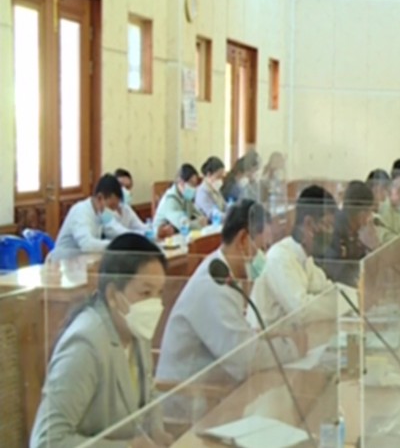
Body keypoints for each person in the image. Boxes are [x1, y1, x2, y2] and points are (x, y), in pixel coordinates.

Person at [32, 234, 171, 447]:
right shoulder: (85, 344)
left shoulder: (135, 328)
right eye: (145, 293)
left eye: (159, 293)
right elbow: (46, 442)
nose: (154, 304)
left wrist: (157, 432)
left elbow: (148, 394)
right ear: (113, 295)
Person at [156, 200, 302, 404]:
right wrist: (293, 347)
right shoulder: (213, 284)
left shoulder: (225, 273)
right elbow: (245, 359)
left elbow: (240, 337)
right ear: (242, 240)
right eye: (261, 248)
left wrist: (274, 335)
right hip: (189, 404)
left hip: (212, 391)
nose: (263, 257)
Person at [251, 186, 339, 326]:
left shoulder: (305, 259)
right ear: (309, 224)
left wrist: (356, 296)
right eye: (327, 225)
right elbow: (302, 311)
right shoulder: (279, 257)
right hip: (269, 338)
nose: (330, 233)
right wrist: (339, 304)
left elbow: (330, 290)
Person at [48, 174, 123, 262]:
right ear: (100, 198)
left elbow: (114, 229)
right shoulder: (80, 211)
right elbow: (87, 245)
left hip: (79, 263)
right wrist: (115, 245)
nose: (113, 211)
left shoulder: (100, 214)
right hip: (61, 264)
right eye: (111, 206)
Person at [321, 181, 378, 287]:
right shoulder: (334, 230)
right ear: (362, 215)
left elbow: (361, 263)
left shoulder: (355, 230)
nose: (369, 218)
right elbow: (338, 275)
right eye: (369, 213)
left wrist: (372, 248)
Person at [153, 164, 206, 235]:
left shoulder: (186, 197)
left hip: (180, 235)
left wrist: (200, 220)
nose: (194, 188)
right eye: (191, 183)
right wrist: (198, 223)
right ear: (181, 182)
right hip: (163, 239)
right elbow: (185, 225)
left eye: (195, 185)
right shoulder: (170, 199)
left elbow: (200, 216)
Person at [106, 168, 146, 238]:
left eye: (127, 187)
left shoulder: (126, 208)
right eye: (121, 185)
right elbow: (118, 232)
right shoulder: (105, 210)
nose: (124, 190)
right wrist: (141, 233)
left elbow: (141, 227)